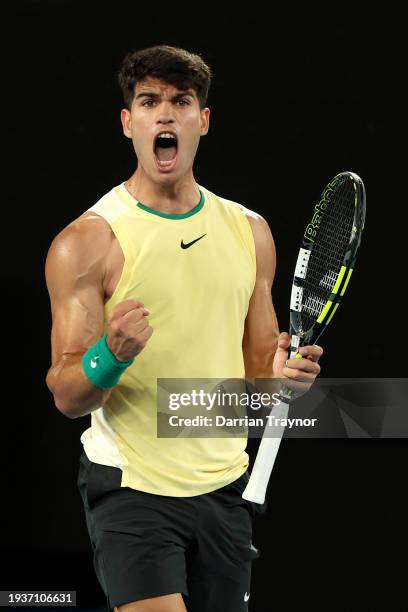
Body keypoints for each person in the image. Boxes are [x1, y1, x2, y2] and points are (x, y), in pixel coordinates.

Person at [45, 45, 323, 612]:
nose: (165, 115)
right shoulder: (88, 243)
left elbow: (255, 385)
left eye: (181, 101)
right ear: (129, 124)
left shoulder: (250, 232)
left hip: (225, 490)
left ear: (204, 121)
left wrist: (279, 380)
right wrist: (111, 355)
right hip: (133, 493)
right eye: (149, 102)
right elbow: (68, 395)